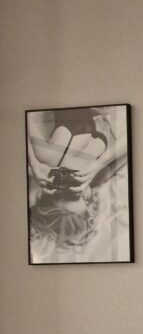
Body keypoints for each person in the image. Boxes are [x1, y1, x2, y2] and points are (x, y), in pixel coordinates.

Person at [26, 106, 129, 262]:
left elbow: (24, 122)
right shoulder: (99, 179)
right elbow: (130, 141)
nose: (71, 185)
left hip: (68, 106)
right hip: (93, 107)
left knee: (48, 156)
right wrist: (98, 165)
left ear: (51, 190)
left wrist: (33, 164)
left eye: (64, 192)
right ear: (91, 202)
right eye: (77, 196)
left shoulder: (47, 160)